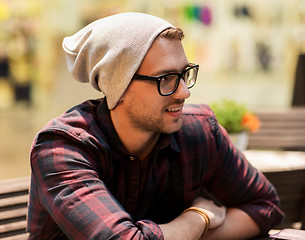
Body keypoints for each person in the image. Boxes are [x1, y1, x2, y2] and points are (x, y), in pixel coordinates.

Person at [27, 12, 284, 240]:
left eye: (184, 74)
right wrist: (197, 218)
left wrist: (189, 236)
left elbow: (265, 206)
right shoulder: (62, 149)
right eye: (166, 79)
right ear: (119, 86)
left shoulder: (200, 132)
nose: (184, 92)